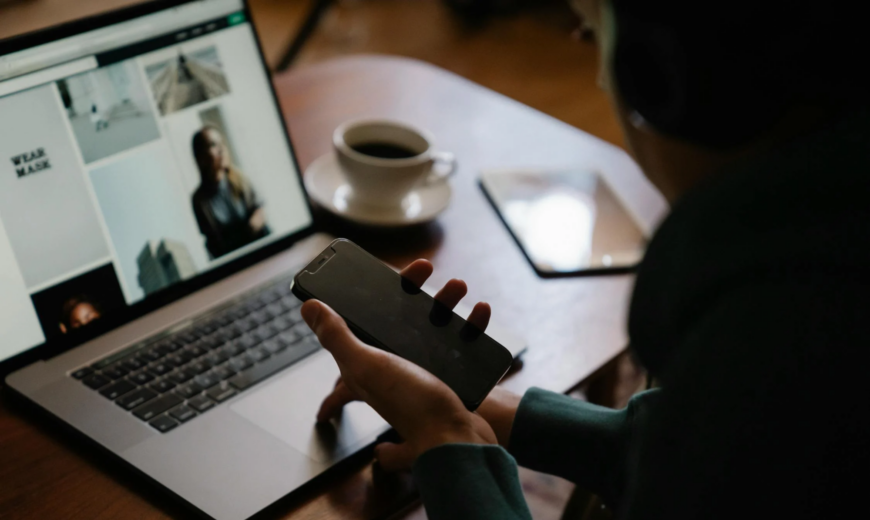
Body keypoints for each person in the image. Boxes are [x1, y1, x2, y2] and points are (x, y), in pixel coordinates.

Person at [300, 1, 869, 519]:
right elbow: (719, 457)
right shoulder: (817, 269)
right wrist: (488, 412)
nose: (601, 73)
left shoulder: (770, 333)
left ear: (661, 79)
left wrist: (453, 448)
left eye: (593, 33)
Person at [191, 126, 270, 259]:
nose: (221, 149)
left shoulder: (240, 178)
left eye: (221, 143)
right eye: (213, 145)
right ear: (201, 156)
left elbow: (259, 211)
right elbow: (213, 243)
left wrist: (253, 225)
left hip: (262, 250)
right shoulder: (199, 200)